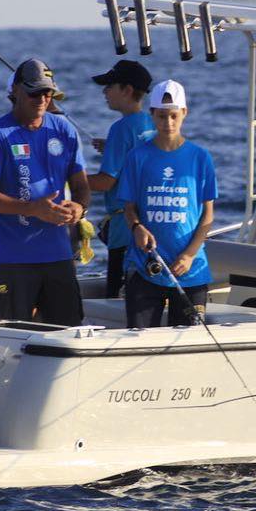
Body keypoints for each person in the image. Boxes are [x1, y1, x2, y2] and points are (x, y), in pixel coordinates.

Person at [0, 57, 90, 326]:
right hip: (12, 259)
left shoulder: (64, 130)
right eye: (34, 92)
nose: (42, 98)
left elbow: (82, 186)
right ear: (15, 91)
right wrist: (32, 209)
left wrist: (79, 208)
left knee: (68, 332)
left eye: (47, 92)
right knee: (8, 338)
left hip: (58, 256)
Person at [117, 79, 217, 328]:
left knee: (188, 346)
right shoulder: (137, 157)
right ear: (151, 115)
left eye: (173, 116)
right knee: (138, 341)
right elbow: (128, 207)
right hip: (146, 266)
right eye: (161, 116)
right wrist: (137, 227)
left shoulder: (200, 157)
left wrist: (189, 255)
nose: (168, 123)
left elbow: (207, 217)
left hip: (190, 271)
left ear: (184, 113)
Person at [86, 60, 156, 297]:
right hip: (152, 227)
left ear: (126, 90)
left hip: (125, 230)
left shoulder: (120, 129)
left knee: (116, 297)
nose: (104, 91)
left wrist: (67, 178)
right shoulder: (152, 124)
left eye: (109, 86)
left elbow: (105, 182)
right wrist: (113, 148)